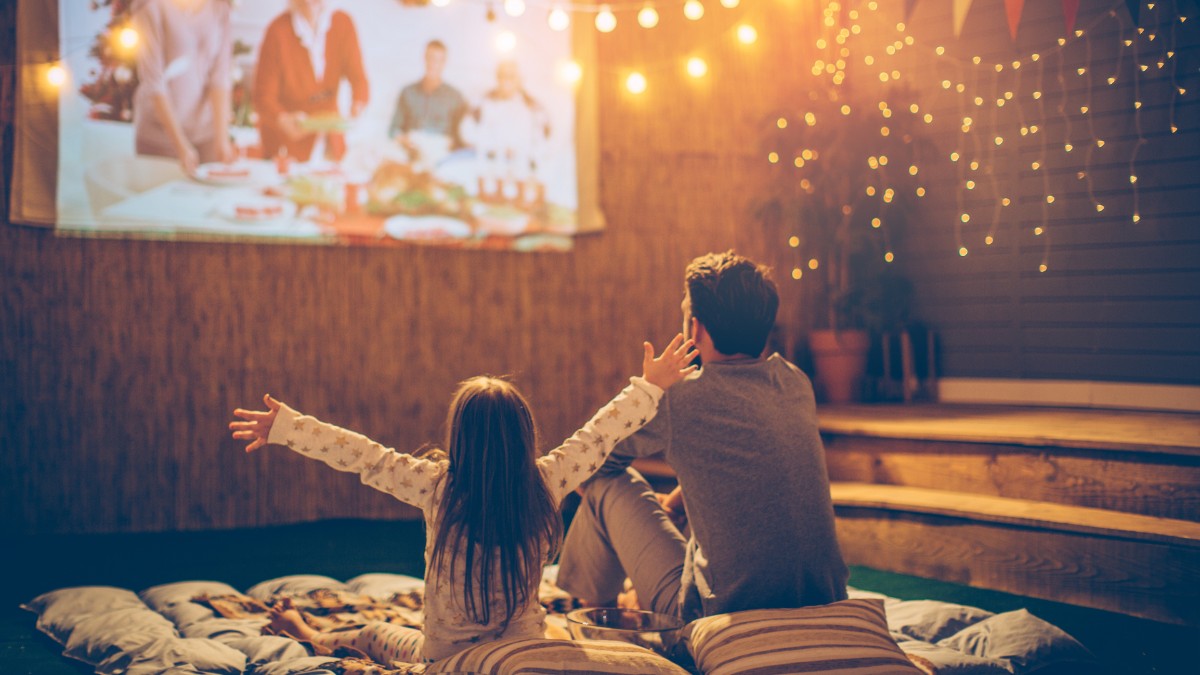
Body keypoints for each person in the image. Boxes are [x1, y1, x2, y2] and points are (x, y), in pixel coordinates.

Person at [228, 336, 698, 664]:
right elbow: (599, 435)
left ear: (460, 438)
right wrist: (650, 386)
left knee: (373, 636)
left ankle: (311, 634)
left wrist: (288, 429)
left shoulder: (437, 487)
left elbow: (364, 456)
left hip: (445, 658)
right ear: (524, 434)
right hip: (524, 651)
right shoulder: (546, 480)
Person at [556, 251, 850, 622]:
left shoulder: (682, 397)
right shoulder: (794, 381)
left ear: (695, 330)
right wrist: (676, 503)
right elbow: (754, 466)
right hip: (824, 599)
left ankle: (594, 611)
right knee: (670, 514)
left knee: (607, 484)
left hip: (714, 615)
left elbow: (594, 464)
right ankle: (603, 604)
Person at [254, 0, 369, 164]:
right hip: (286, 148)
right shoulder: (277, 31)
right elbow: (263, 97)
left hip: (330, 145)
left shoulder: (342, 23)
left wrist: (358, 104)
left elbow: (359, 78)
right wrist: (283, 119)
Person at [130, 0, 235, 174]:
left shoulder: (220, 8)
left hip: (206, 135)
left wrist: (222, 139)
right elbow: (154, 83)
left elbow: (220, 77)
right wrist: (181, 145)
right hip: (161, 138)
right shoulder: (151, 7)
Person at [470, 60, 551, 198]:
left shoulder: (532, 108)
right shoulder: (484, 103)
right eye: (502, 76)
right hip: (490, 171)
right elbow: (470, 133)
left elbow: (542, 143)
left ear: (519, 79)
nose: (506, 81)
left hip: (521, 173)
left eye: (510, 76)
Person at [389, 40, 469, 156]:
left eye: (438, 60)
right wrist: (403, 140)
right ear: (424, 58)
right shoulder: (408, 92)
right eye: (430, 58)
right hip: (410, 148)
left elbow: (462, 135)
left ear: (444, 63)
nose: (433, 64)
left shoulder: (455, 97)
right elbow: (393, 130)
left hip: (440, 151)